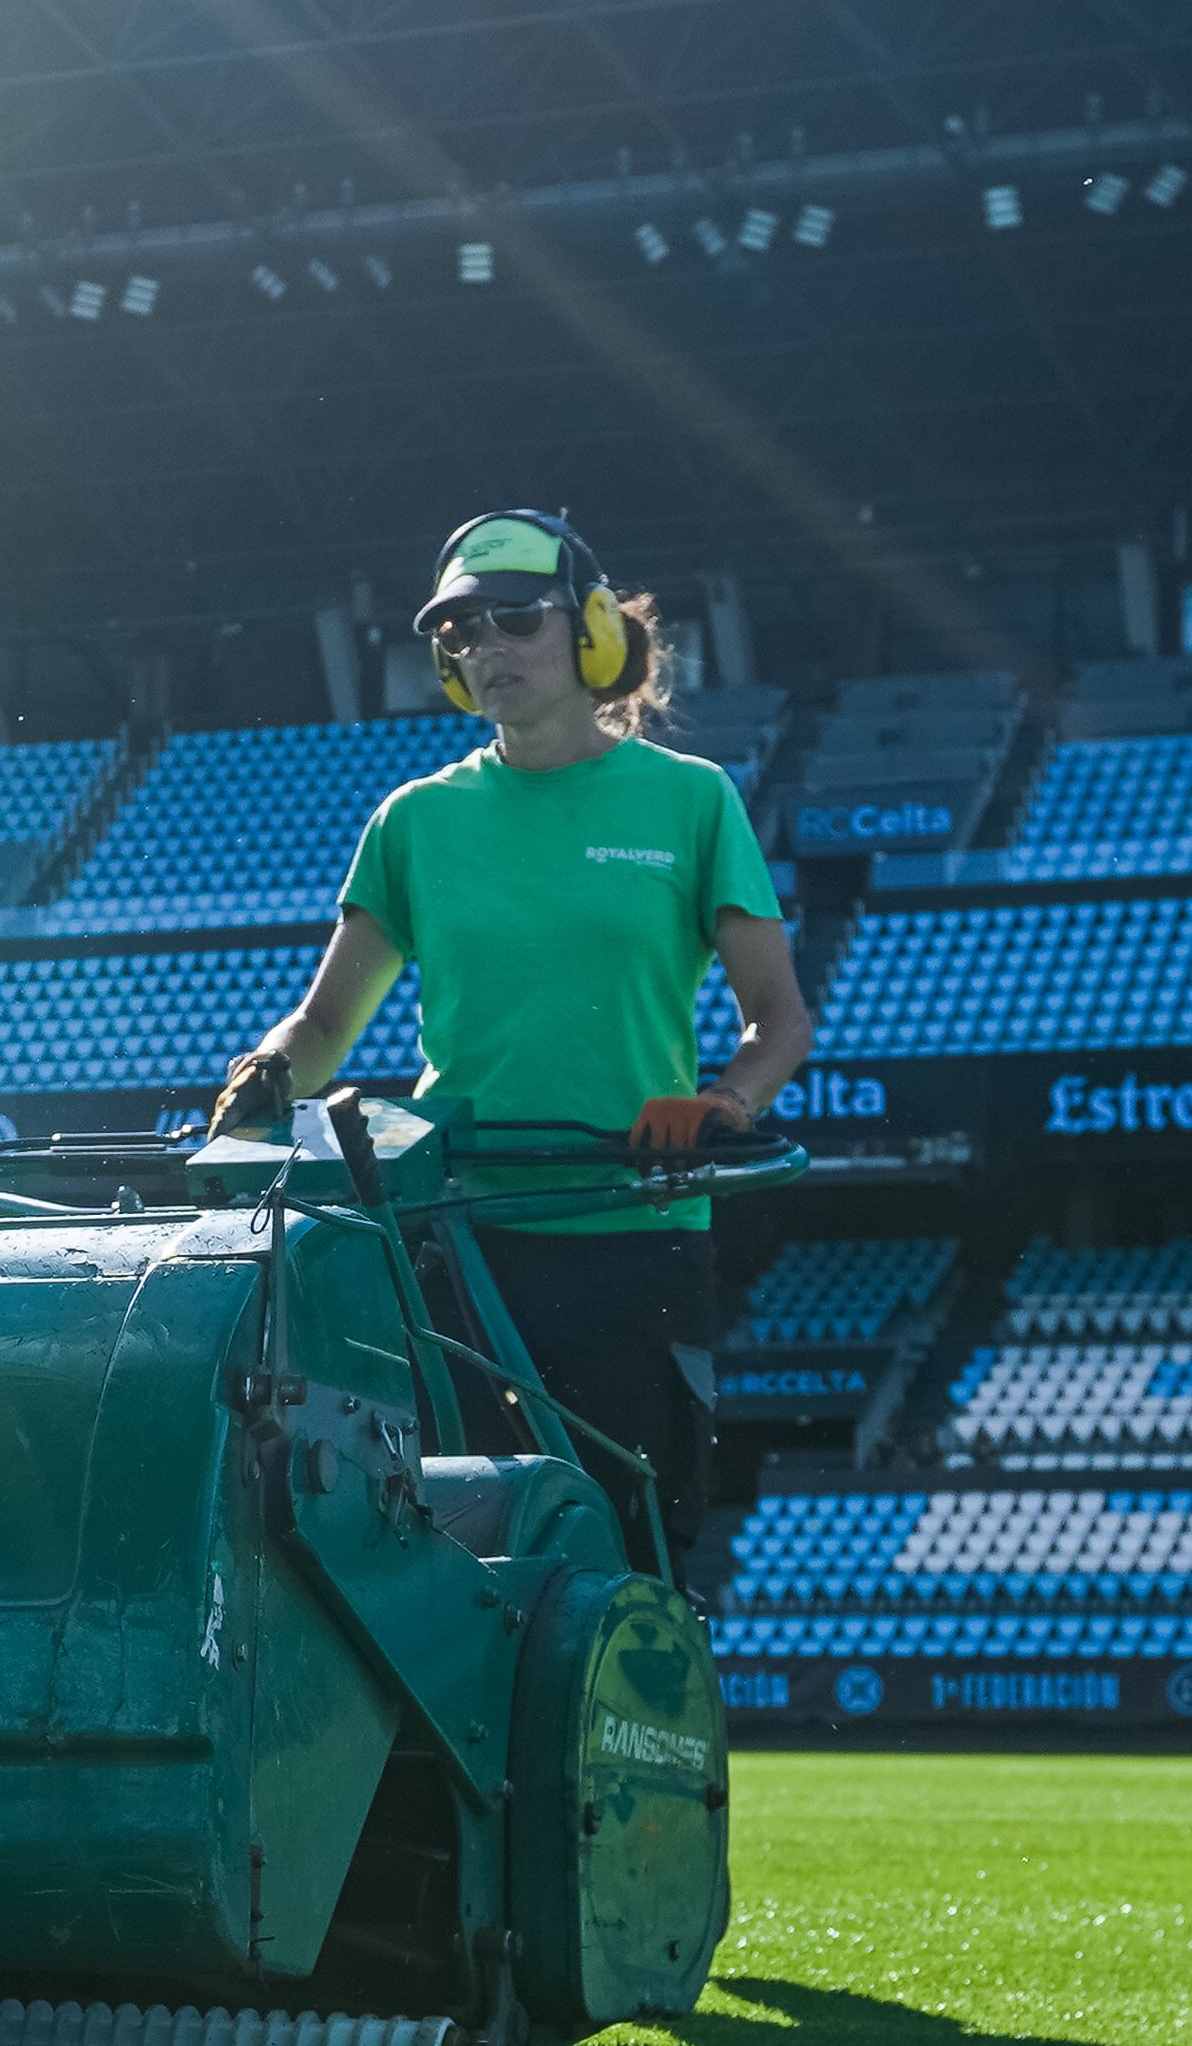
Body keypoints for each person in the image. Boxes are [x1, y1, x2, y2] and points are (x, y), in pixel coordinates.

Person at [208, 507, 811, 1599]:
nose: (484, 650)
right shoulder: (415, 822)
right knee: (463, 1559)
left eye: (514, 621)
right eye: (459, 634)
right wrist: (261, 1077)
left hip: (636, 1232)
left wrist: (724, 1102)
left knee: (640, 1558)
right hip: (460, 1246)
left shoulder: (690, 801)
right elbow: (324, 1027)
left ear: (589, 630)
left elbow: (780, 1016)